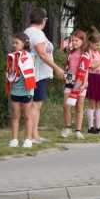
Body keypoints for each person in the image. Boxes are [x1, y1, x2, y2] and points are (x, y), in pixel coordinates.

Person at [24, 8, 64, 144]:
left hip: (33, 73)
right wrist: (57, 68)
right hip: (37, 74)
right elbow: (42, 53)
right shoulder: (37, 34)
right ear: (44, 20)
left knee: (34, 105)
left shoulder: (28, 31)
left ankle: (34, 134)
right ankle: (33, 135)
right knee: (36, 105)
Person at [6, 33, 36, 148]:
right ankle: (14, 139)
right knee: (15, 115)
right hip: (15, 90)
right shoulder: (11, 56)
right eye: (13, 43)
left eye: (17, 43)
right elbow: (10, 72)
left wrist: (19, 61)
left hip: (26, 90)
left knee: (27, 115)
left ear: (24, 44)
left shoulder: (29, 56)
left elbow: (30, 71)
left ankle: (28, 139)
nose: (14, 45)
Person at [61, 29, 89, 140]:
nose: (74, 42)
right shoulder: (70, 53)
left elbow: (86, 69)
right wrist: (66, 78)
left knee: (79, 106)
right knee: (66, 105)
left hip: (80, 83)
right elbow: (68, 68)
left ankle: (78, 130)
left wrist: (84, 83)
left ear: (83, 41)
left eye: (77, 40)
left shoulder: (85, 55)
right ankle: (68, 127)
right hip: (70, 81)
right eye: (73, 40)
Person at [86, 29, 100, 134]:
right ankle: (90, 127)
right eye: (96, 45)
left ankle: (99, 126)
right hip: (93, 77)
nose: (98, 47)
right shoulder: (88, 53)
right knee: (92, 102)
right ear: (90, 43)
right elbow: (91, 65)